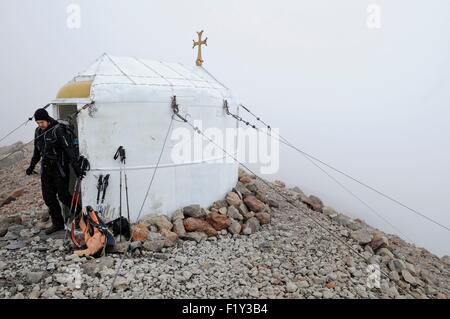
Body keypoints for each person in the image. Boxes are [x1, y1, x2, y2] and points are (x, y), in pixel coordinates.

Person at [26, 108, 85, 235]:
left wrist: (77, 168)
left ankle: (80, 213)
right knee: (49, 198)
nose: (40, 125)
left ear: (47, 119)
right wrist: (31, 167)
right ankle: (57, 224)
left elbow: (68, 150)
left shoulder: (58, 130)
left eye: (42, 122)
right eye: (38, 123)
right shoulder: (38, 132)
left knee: (63, 196)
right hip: (46, 169)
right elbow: (37, 153)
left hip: (60, 168)